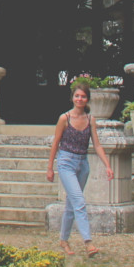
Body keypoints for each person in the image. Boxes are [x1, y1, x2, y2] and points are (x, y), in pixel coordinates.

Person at [46, 83, 112, 256]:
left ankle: (63, 240)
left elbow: (96, 145)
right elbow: (55, 143)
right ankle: (88, 242)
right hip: (66, 162)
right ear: (72, 98)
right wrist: (50, 167)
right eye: (77, 96)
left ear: (87, 99)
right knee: (79, 201)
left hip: (83, 164)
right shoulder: (64, 118)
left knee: (71, 204)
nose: (80, 99)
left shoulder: (90, 119)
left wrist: (107, 165)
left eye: (83, 96)